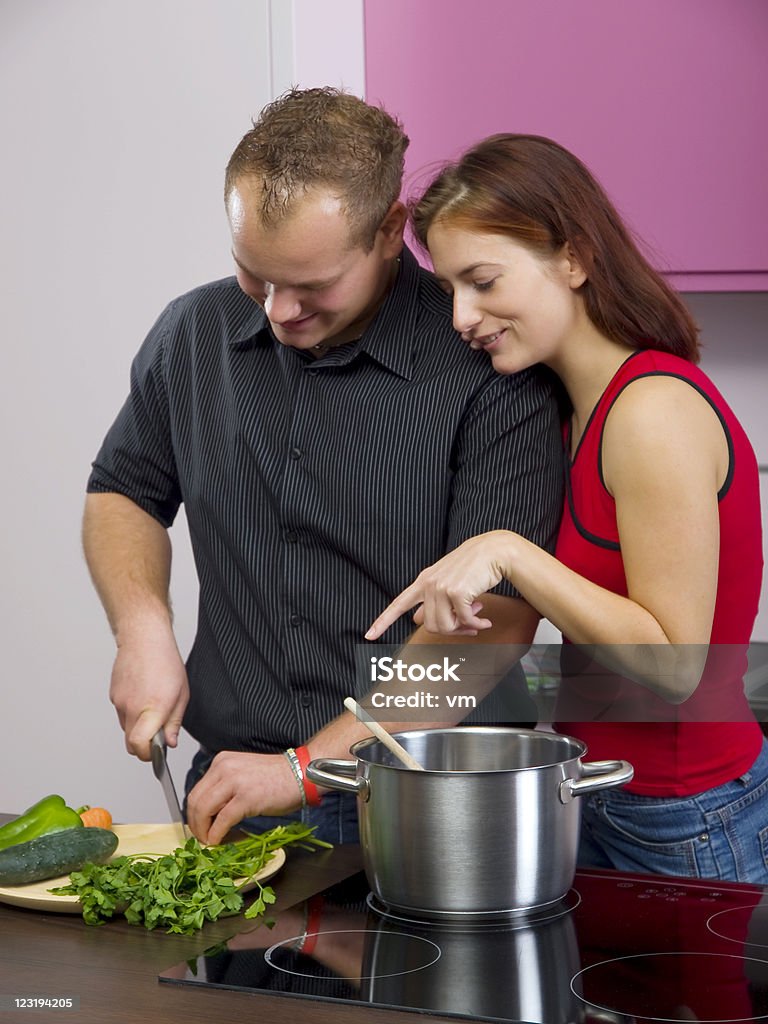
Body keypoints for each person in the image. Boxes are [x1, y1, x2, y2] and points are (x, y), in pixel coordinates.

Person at [82, 91, 563, 846]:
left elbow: (492, 630)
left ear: (388, 232)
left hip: (434, 803)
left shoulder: (492, 364)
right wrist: (142, 628)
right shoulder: (193, 331)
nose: (278, 310)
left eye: (312, 285)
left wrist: (306, 767)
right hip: (234, 785)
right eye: (255, 275)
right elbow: (123, 492)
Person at [366, 133, 767, 882]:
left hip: (689, 817)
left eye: (482, 280)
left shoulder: (651, 410)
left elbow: (674, 666)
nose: (461, 315)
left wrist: (512, 553)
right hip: (602, 796)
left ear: (575, 258)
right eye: (450, 288)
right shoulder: (567, 413)